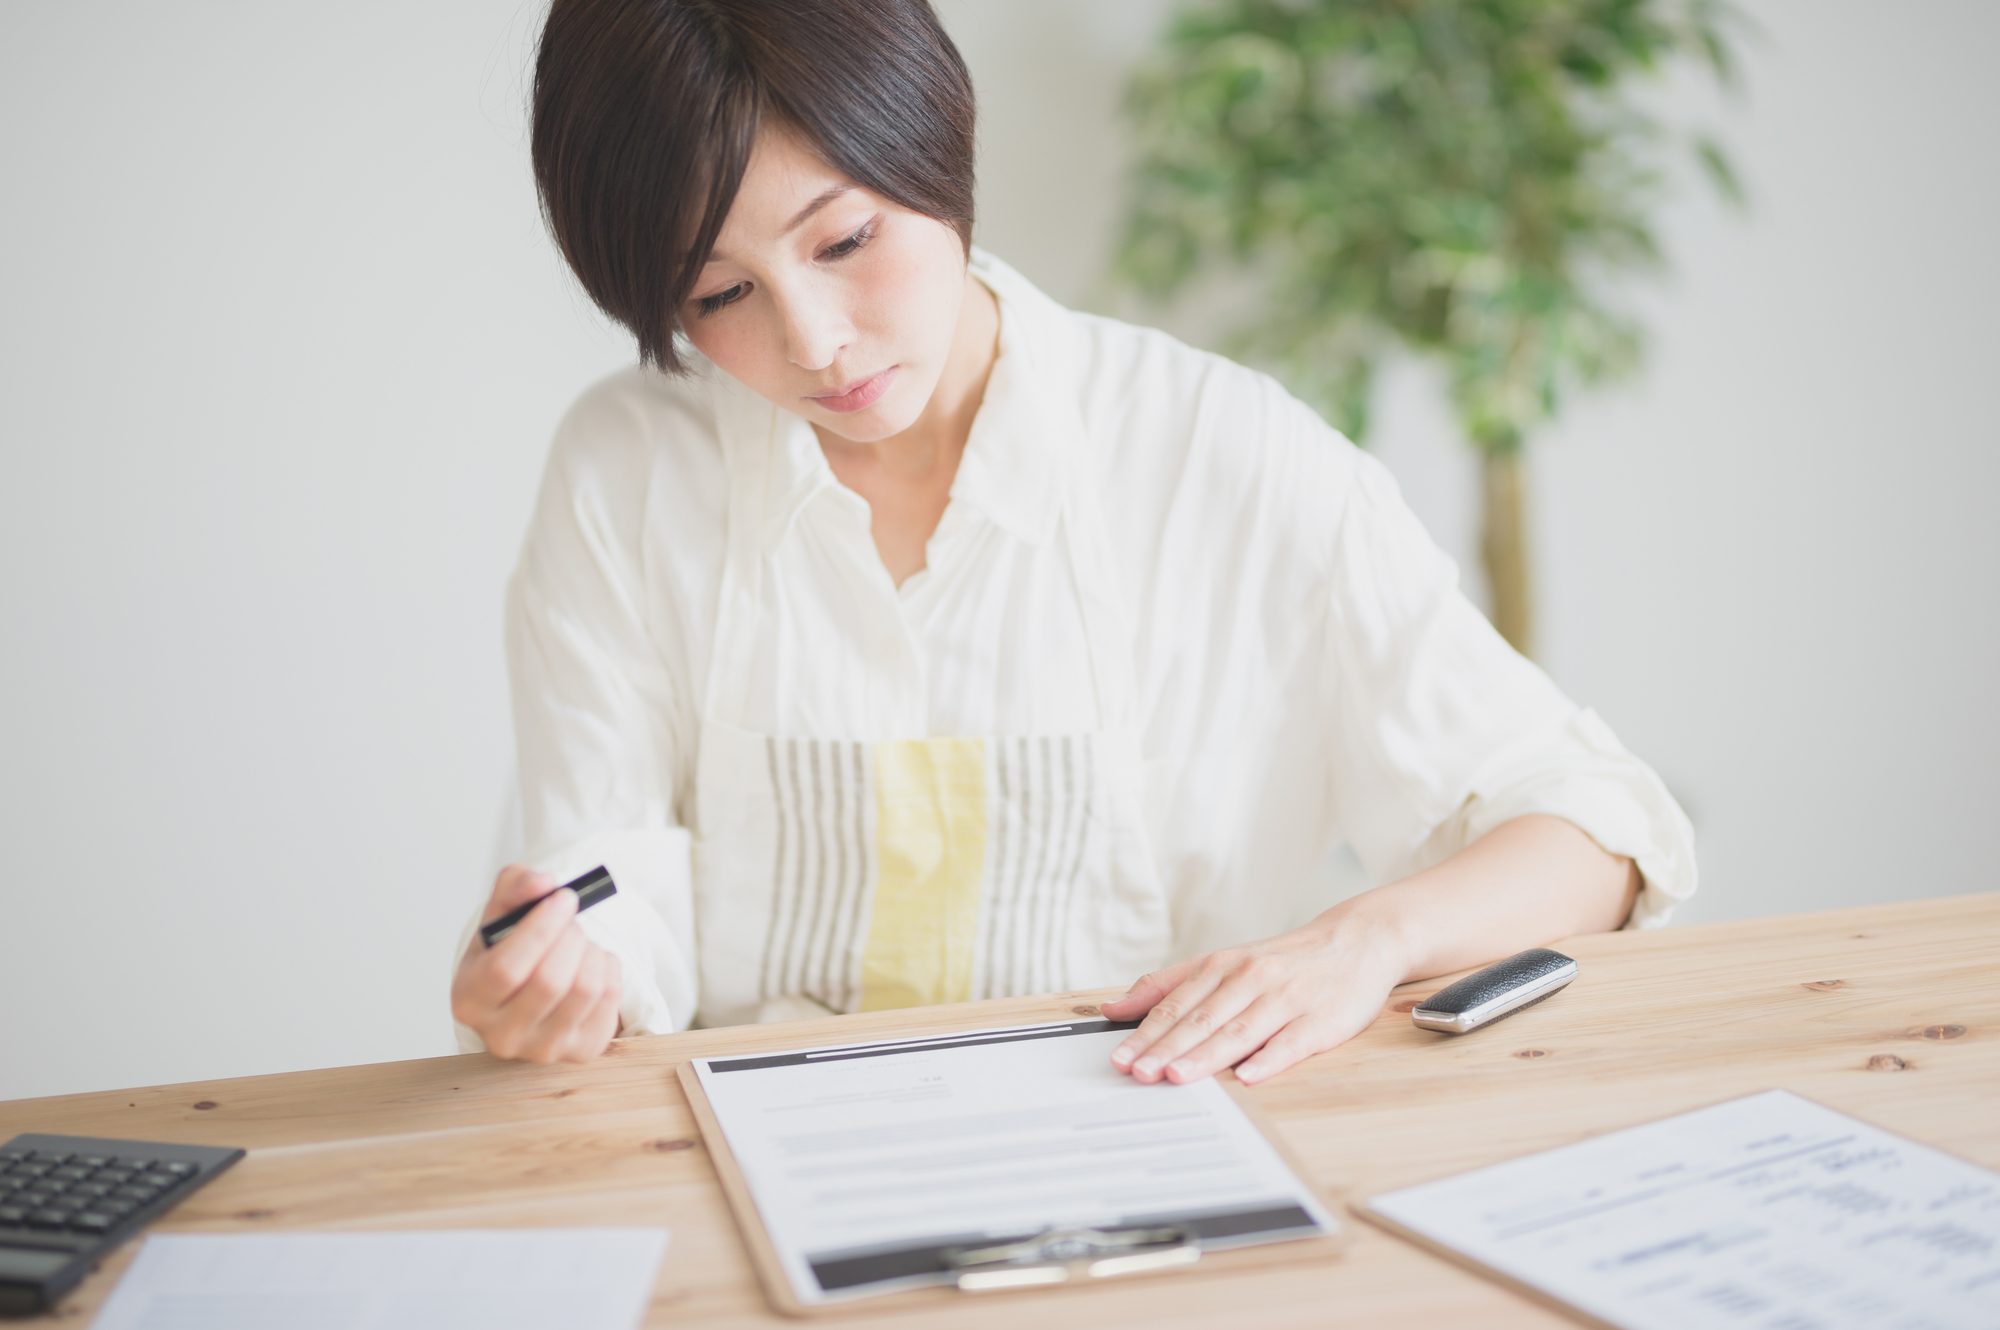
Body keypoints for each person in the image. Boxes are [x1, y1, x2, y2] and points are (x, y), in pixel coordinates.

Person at [449, 0, 1696, 1087]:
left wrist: (1359, 941)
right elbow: (610, 864)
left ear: (938, 135)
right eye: (718, 294)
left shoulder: (1216, 450)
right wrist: (562, 971)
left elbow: (1594, 828)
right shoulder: (628, 469)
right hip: (751, 1177)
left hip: (1162, 1159)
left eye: (843, 241)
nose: (816, 340)